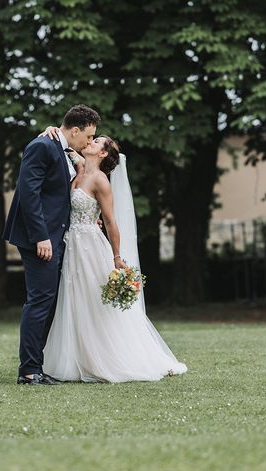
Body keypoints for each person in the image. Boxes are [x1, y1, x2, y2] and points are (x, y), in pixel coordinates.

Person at [39, 128, 188, 383]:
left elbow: (110, 221)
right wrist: (51, 130)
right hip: (72, 244)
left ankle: (105, 358)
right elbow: (66, 142)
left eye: (96, 141)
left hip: (90, 246)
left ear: (104, 152)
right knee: (75, 300)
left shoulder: (100, 180)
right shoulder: (79, 168)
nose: (90, 141)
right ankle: (77, 359)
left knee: (94, 302)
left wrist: (117, 257)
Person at [3, 104, 101, 385]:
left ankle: (37, 365)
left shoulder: (61, 148)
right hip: (41, 239)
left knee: (48, 300)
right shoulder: (42, 146)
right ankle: (29, 370)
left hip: (56, 235)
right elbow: (28, 192)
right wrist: (41, 236)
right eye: (88, 136)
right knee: (40, 300)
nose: (89, 142)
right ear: (74, 130)